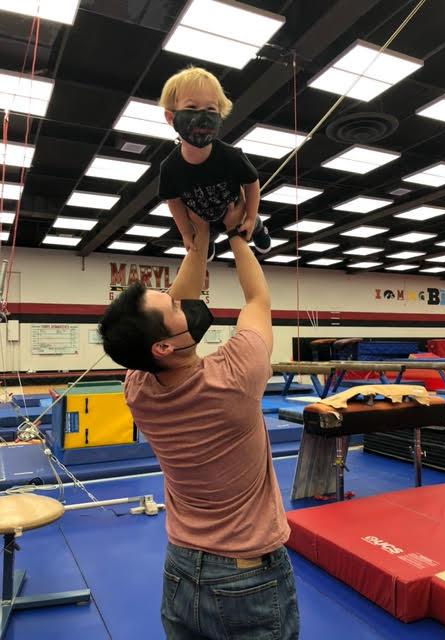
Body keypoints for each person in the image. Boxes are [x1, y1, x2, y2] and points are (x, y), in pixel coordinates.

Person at [99, 199, 299, 640]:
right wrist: (236, 233)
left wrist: (199, 238)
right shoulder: (236, 375)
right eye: (173, 309)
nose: (181, 303)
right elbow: (258, 297)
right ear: (164, 348)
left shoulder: (138, 388)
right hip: (246, 575)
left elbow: (183, 297)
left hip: (181, 567)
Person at [157, 66, 271, 262]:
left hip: (235, 209)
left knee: (250, 224)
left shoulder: (231, 156)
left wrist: (251, 217)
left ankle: (260, 229)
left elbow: (252, 183)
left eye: (211, 109)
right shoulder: (170, 168)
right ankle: (209, 241)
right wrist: (185, 232)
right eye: (192, 108)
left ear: (219, 117)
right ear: (170, 117)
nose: (202, 116)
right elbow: (173, 202)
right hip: (203, 219)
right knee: (207, 233)